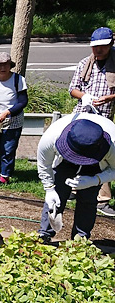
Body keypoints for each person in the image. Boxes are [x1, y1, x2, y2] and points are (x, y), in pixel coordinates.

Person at [37, 114, 115, 242]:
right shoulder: (52, 136)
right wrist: (49, 189)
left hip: (96, 162)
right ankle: (44, 235)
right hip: (65, 161)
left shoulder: (112, 142)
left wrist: (95, 180)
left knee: (88, 199)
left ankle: (80, 239)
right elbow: (44, 164)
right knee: (57, 194)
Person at [69, 26, 115, 216]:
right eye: (95, 46)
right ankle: (71, 187)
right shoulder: (84, 63)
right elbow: (73, 89)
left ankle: (103, 199)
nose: (98, 50)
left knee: (104, 154)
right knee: (73, 148)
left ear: (110, 44)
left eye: (102, 46)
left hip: (105, 116)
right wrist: (84, 96)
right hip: (83, 113)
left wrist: (109, 98)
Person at [0, 52, 28, 185]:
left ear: (10, 65)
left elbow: (22, 101)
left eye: (5, 65)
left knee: (8, 149)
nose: (2, 68)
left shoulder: (18, 80)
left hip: (12, 119)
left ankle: (5, 175)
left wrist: (7, 113)